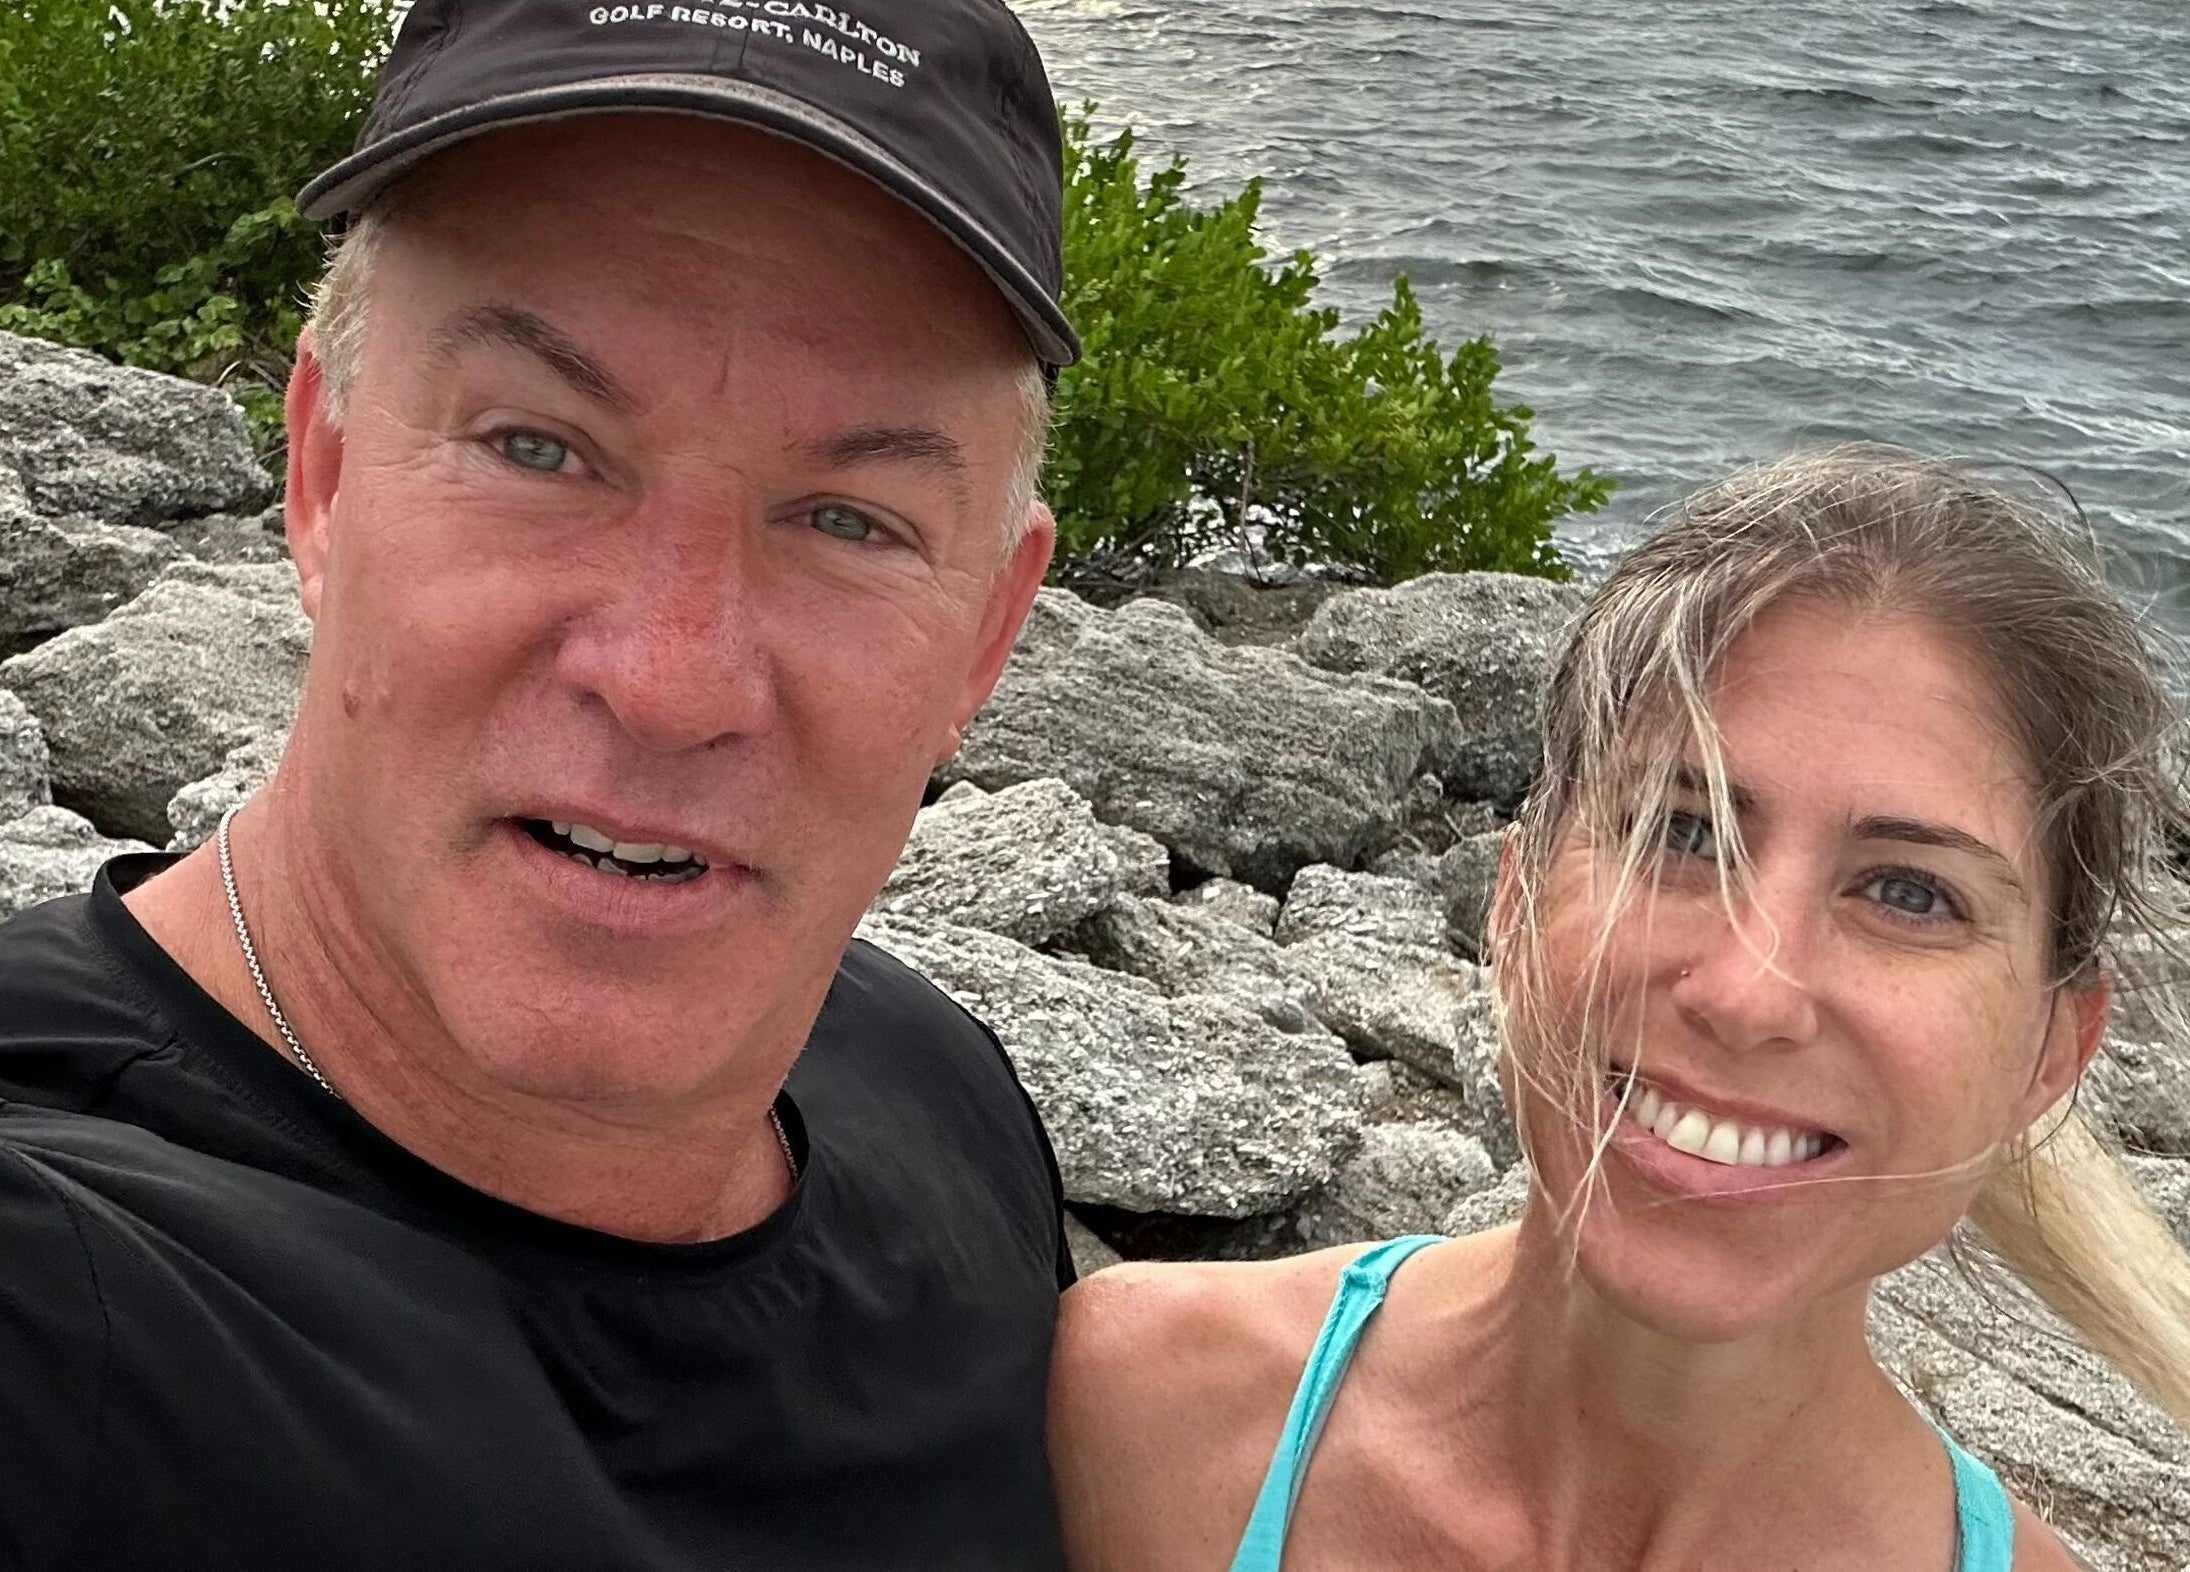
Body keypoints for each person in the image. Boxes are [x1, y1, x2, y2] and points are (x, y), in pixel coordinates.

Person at [0, 1, 1083, 1565]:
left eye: (847, 520)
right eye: (537, 447)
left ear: (987, 631)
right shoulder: (60, 1282)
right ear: (322, 474)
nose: (672, 676)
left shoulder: (936, 1093)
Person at [1049, 447, 2190, 1570]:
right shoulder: (1154, 1406)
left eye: (1907, 892)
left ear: (2053, 1051)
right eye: (1684, 834)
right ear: (1514, 895)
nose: (1750, 994)